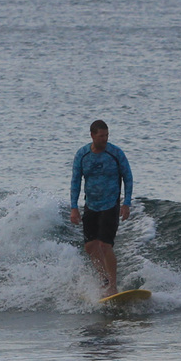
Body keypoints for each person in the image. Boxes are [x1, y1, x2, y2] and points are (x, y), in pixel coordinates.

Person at [70, 119, 133, 297]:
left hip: (110, 204)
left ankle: (112, 285)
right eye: (101, 136)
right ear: (92, 135)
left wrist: (126, 203)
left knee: (105, 245)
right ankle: (104, 279)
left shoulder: (115, 153)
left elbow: (128, 177)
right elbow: (75, 181)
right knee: (90, 247)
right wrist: (74, 207)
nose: (105, 139)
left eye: (106, 135)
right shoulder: (82, 155)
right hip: (91, 205)